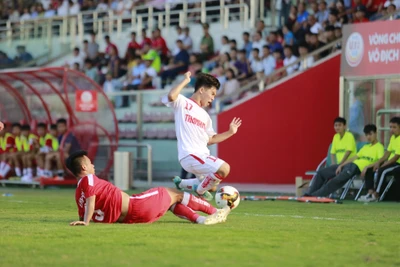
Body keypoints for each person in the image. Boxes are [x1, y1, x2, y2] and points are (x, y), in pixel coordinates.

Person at [67, 150, 230, 226]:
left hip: (129, 219)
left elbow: (86, 208)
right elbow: (91, 200)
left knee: (171, 203)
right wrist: (86, 222)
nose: (93, 165)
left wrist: (83, 220)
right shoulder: (88, 179)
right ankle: (216, 212)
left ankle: (201, 220)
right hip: (136, 206)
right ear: (83, 167)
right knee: (174, 193)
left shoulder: (77, 193)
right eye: (89, 163)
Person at [162, 72, 242, 201]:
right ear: (202, 90)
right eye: (212, 94)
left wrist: (230, 132)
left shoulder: (205, 116)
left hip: (202, 155)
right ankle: (199, 191)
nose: (212, 98)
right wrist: (186, 81)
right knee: (224, 168)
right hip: (190, 155)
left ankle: (182, 183)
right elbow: (171, 96)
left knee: (212, 187)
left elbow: (211, 139)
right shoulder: (183, 103)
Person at [307, 124, 384, 197]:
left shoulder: (379, 147)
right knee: (321, 172)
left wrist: (367, 167)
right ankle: (309, 194)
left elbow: (380, 161)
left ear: (376, 133)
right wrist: (341, 165)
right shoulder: (365, 147)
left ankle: (314, 196)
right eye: (366, 135)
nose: (368, 137)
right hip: (348, 165)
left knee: (335, 181)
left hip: (355, 168)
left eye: (370, 134)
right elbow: (353, 158)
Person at [305, 117, 356, 194]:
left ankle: (316, 195)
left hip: (348, 165)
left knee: (333, 181)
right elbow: (332, 153)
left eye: (339, 125)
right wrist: (333, 164)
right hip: (338, 166)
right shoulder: (335, 137)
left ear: (344, 126)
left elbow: (348, 152)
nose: (337, 127)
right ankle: (309, 193)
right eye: (335, 125)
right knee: (321, 173)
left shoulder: (349, 136)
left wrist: (340, 164)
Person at [359, 117, 400, 202]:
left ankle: (376, 194)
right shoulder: (393, 138)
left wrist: (383, 165)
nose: (392, 129)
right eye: (390, 127)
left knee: (383, 171)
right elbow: (387, 154)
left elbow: (396, 157)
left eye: (394, 127)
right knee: (370, 169)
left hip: (397, 164)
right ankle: (370, 193)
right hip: (392, 163)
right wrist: (378, 163)